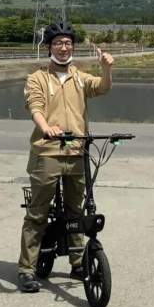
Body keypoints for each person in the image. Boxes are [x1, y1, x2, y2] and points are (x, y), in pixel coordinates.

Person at [17, 20, 114, 293]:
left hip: (76, 151)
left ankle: (77, 261)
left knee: (76, 210)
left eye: (68, 43)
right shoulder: (37, 77)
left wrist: (107, 68)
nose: (63, 47)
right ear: (49, 47)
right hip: (47, 152)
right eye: (58, 43)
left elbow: (103, 87)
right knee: (37, 213)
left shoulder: (80, 77)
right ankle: (27, 268)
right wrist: (46, 127)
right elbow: (34, 105)